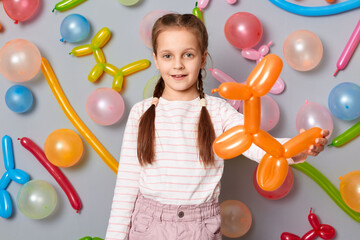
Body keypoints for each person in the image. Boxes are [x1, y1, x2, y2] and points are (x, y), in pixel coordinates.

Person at [105, 13, 329, 240]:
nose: (178, 65)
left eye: (188, 55)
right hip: (148, 227)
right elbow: (126, 186)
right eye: (167, 56)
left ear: (202, 59)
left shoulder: (219, 111)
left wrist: (299, 147)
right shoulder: (141, 113)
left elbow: (257, 144)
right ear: (156, 59)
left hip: (200, 228)